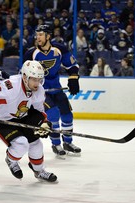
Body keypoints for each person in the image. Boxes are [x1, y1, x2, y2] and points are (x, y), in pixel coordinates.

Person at [0, 61, 57, 182]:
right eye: (34, 79)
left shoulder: (39, 90)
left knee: (36, 143)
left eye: (39, 79)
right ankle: (11, 160)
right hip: (2, 121)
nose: (37, 83)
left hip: (22, 117)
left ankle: (39, 171)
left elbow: (39, 111)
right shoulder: (11, 86)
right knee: (21, 144)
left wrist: (44, 123)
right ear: (24, 77)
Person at [23, 24, 81, 159]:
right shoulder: (30, 53)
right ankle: (56, 144)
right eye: (37, 35)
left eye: (41, 34)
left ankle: (68, 142)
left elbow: (72, 65)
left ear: (48, 36)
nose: (38, 37)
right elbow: (24, 74)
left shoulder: (59, 49)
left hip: (57, 88)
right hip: (41, 92)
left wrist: (73, 78)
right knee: (53, 115)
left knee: (67, 115)